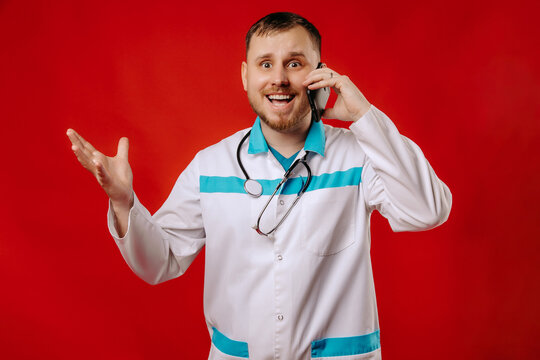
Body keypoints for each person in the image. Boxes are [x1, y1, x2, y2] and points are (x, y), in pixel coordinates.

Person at [67, 12, 451, 360]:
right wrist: (123, 202)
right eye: (265, 64)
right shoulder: (211, 164)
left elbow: (428, 210)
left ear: (320, 74)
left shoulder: (358, 156)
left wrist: (365, 115)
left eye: (295, 63)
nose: (279, 78)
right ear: (245, 76)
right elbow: (158, 262)